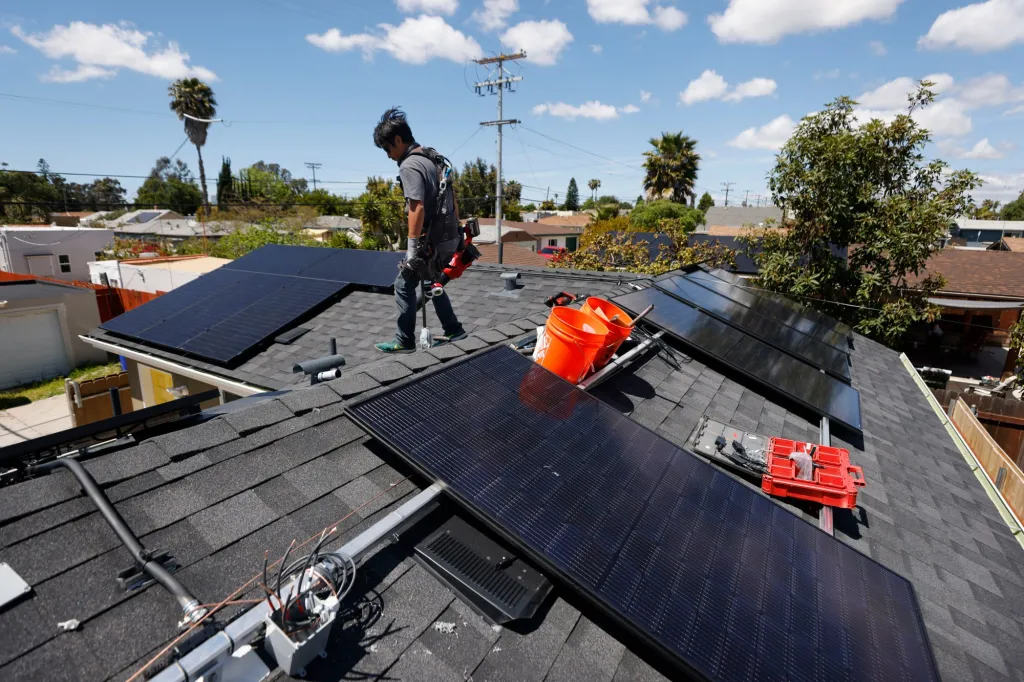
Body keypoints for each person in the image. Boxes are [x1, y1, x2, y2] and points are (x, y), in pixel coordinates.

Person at [372, 108, 467, 353]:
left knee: (403, 285)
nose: (388, 156)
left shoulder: (410, 165)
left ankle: (404, 341)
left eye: (387, 149)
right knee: (430, 282)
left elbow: (416, 207)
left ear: (398, 140)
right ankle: (454, 329)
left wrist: (411, 250)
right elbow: (452, 198)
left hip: (430, 241)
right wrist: (457, 232)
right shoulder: (433, 158)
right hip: (448, 238)